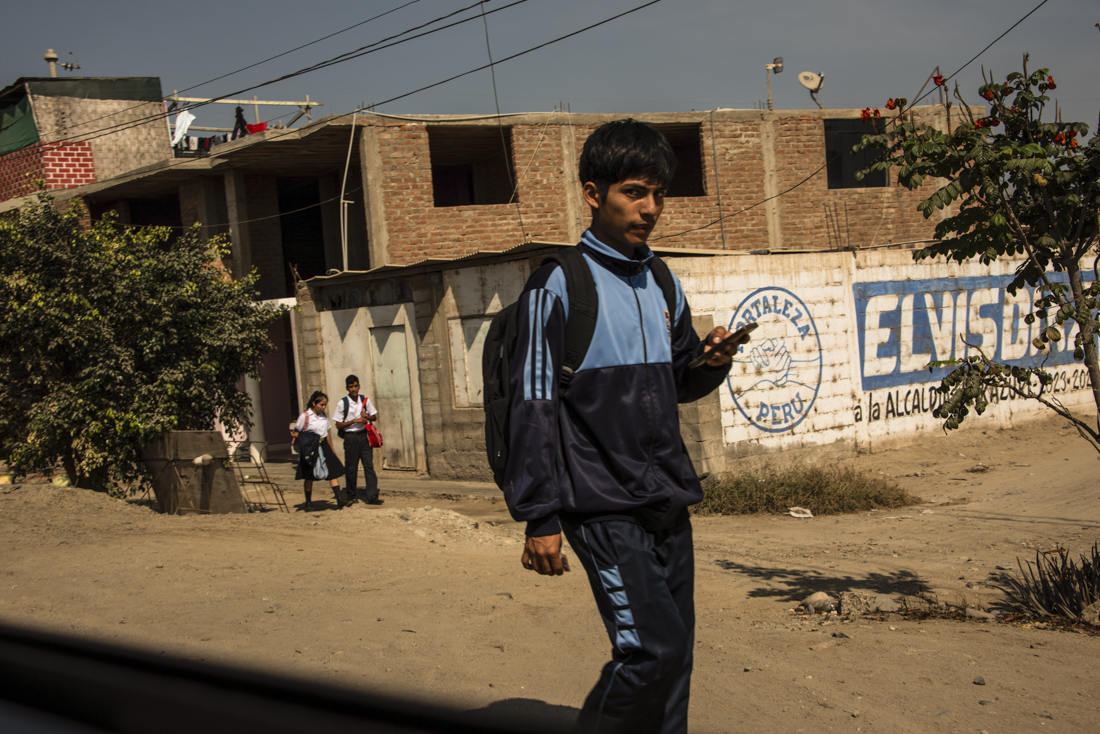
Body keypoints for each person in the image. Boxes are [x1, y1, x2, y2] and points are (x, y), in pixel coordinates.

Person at [502, 119, 749, 734]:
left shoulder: (662, 279)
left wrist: (711, 363)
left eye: (658, 194)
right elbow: (530, 405)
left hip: (666, 497)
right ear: (593, 193)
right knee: (649, 652)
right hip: (601, 504)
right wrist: (540, 516)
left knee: (676, 660)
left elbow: (680, 382)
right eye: (634, 192)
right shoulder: (559, 285)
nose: (650, 208)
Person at [290, 391, 346, 511]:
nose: (323, 407)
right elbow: (295, 433)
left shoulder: (324, 416)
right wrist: (311, 438)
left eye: (325, 405)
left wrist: (332, 449)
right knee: (309, 475)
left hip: (324, 446)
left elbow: (327, 433)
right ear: (314, 403)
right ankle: (308, 502)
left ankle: (339, 499)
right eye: (321, 404)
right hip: (311, 448)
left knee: (332, 472)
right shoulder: (305, 416)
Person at [332, 374, 382, 506]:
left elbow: (374, 417)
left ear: (359, 386)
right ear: (347, 388)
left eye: (355, 386)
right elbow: (338, 424)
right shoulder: (342, 403)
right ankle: (351, 495)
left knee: (368, 466)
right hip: (350, 438)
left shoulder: (365, 400)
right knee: (351, 467)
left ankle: (372, 495)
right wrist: (355, 420)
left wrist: (367, 417)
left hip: (364, 436)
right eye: (350, 387)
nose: (353, 389)